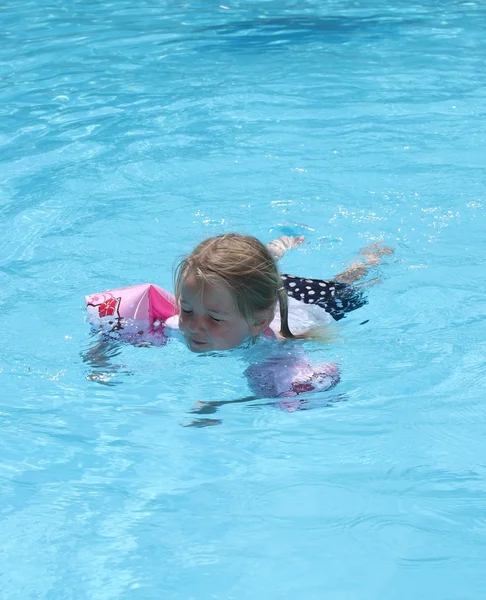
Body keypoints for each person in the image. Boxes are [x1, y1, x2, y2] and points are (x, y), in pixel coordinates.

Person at [83, 233, 392, 414]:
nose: (193, 326)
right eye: (187, 309)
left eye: (213, 319)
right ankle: (272, 252)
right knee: (240, 277)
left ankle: (370, 259)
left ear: (258, 324)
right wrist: (102, 354)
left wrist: (221, 404)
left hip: (316, 302)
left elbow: (280, 394)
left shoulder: (275, 352)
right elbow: (123, 325)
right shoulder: (187, 319)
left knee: (349, 282)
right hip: (247, 295)